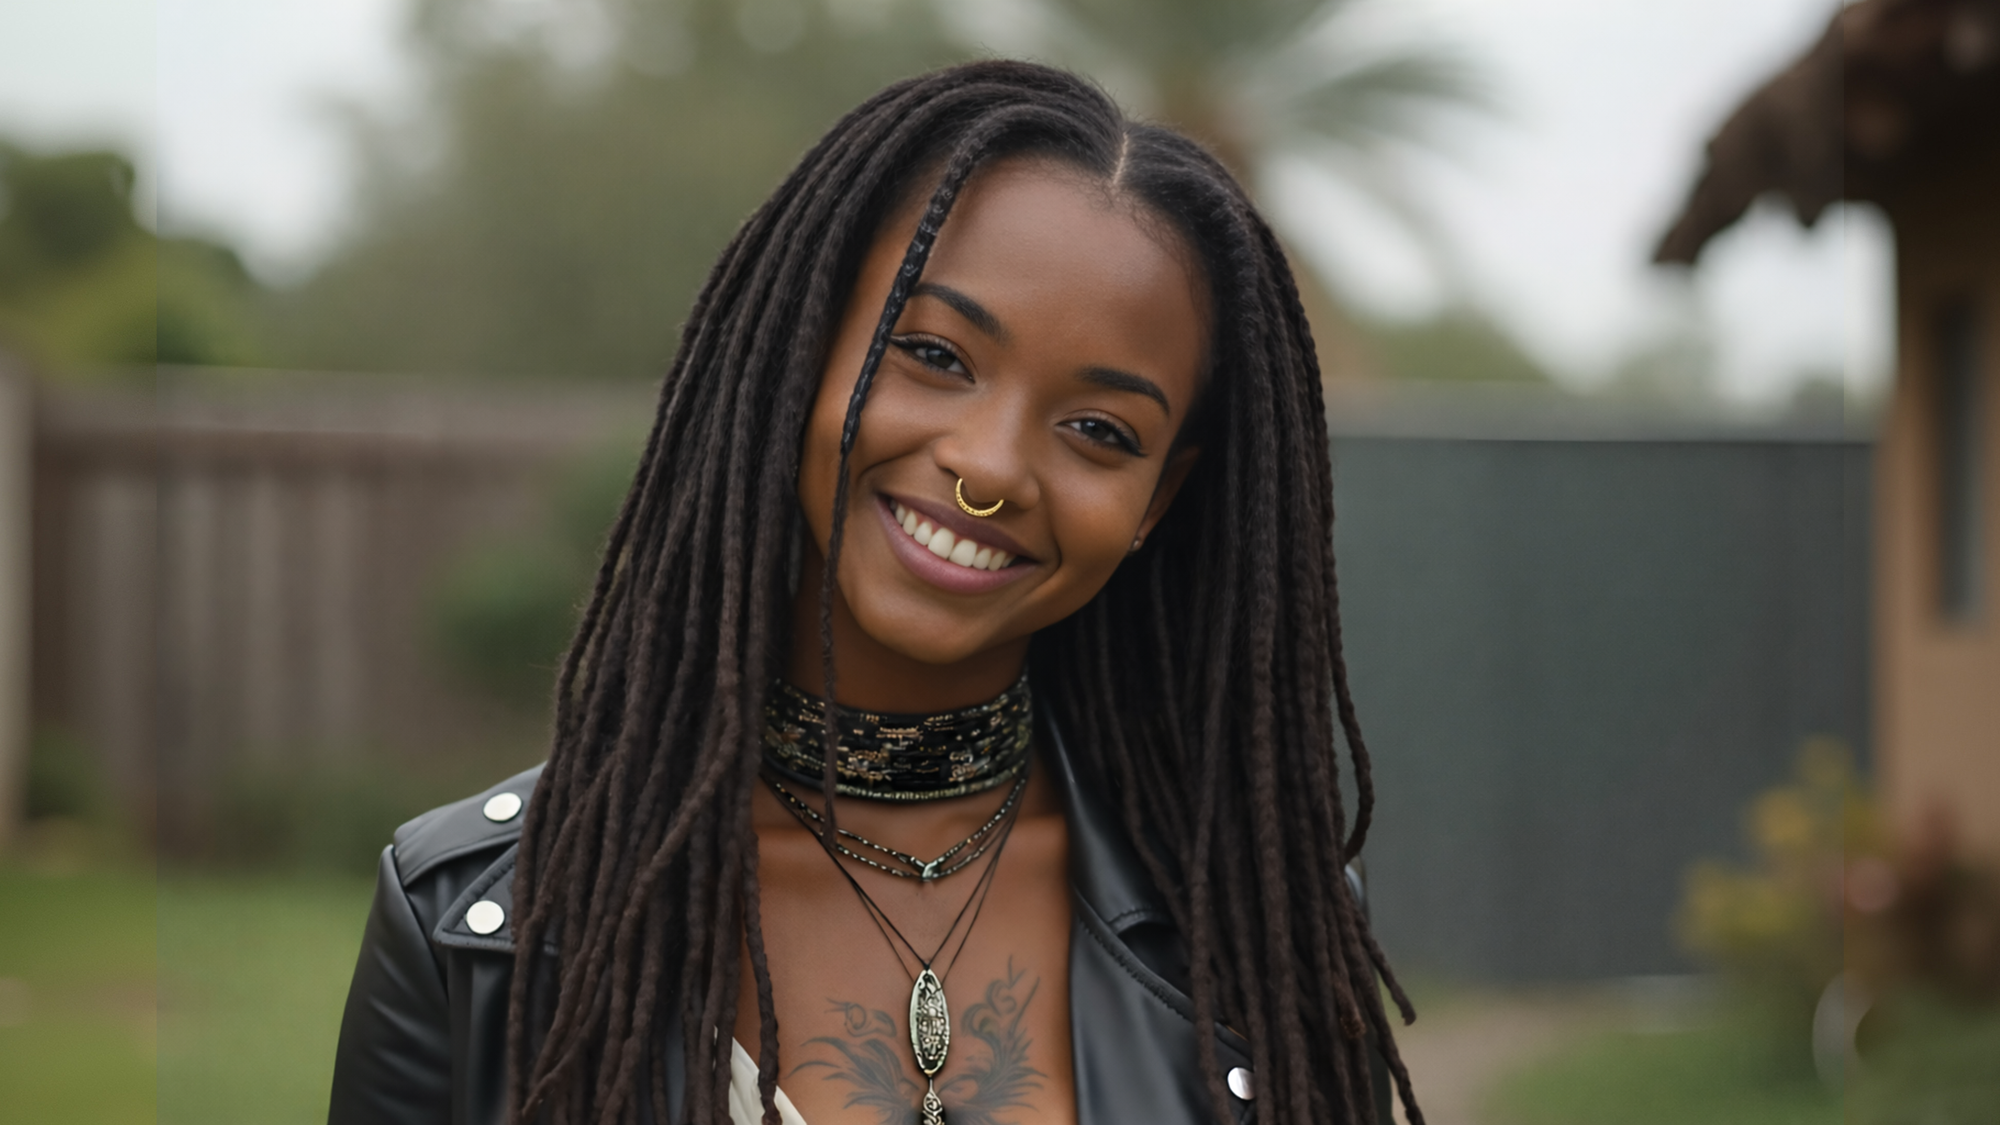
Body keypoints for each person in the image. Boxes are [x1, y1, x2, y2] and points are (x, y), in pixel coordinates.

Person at [329, 59, 1421, 1125]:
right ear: (801, 346)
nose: (989, 469)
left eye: (1098, 430)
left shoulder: (1261, 931)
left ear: (1154, 499)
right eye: (936, 356)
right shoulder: (480, 929)